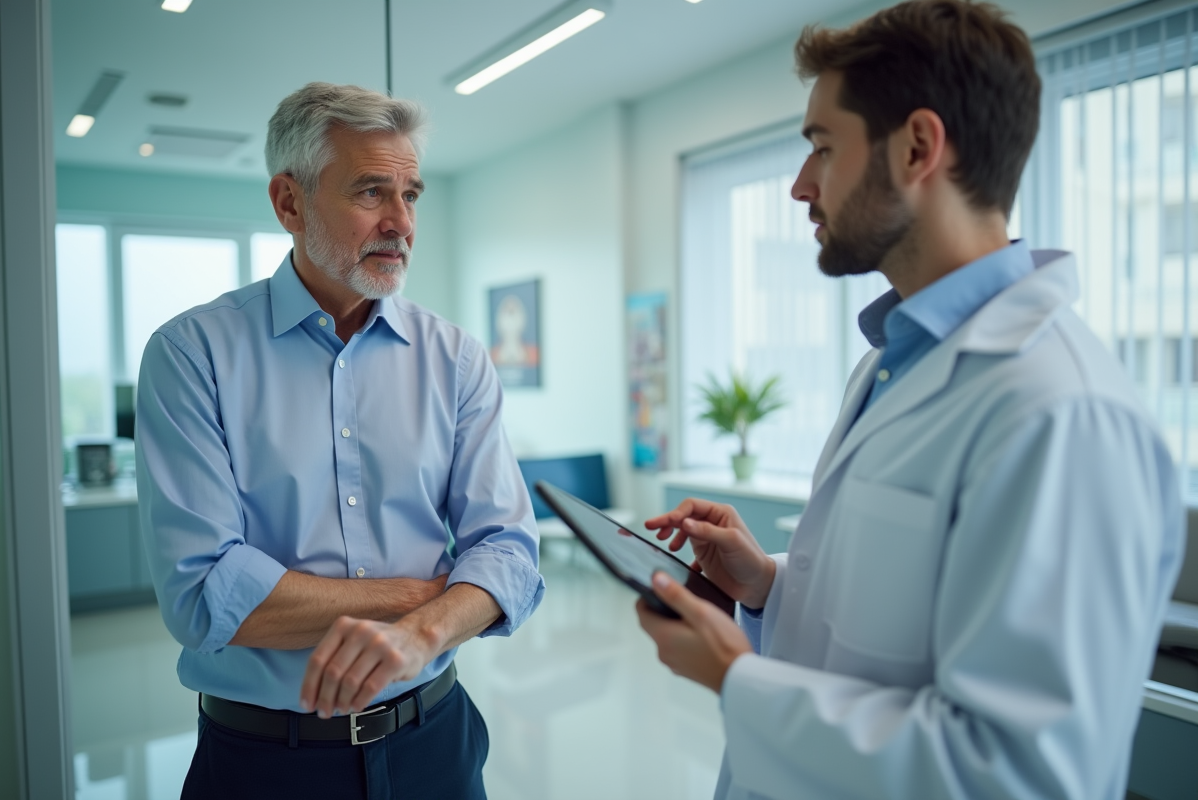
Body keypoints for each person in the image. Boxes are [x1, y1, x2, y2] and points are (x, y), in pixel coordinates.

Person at [636, 2, 1184, 798]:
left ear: (919, 147)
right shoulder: (896, 362)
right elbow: (901, 619)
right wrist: (769, 585)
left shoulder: (1062, 413)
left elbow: (1021, 772)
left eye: (823, 147)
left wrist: (736, 677)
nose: (799, 185)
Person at [135, 82, 544, 799]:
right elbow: (205, 596)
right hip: (265, 761)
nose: (401, 222)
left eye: (411, 194)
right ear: (289, 203)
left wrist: (423, 633)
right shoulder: (191, 354)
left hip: (435, 740)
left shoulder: (455, 358)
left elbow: (509, 554)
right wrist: (427, 595)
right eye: (370, 193)